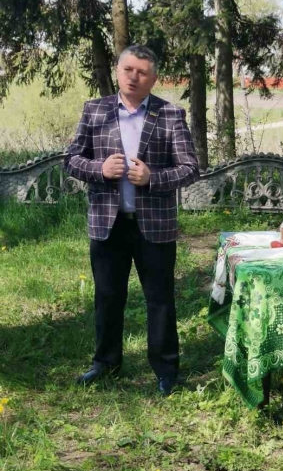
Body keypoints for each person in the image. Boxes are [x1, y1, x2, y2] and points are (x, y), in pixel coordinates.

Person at [64, 45, 200, 395]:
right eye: (128, 69)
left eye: (142, 72)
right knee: (107, 296)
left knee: (160, 299)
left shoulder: (171, 114)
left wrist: (154, 177)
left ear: (153, 78)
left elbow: (190, 168)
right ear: (117, 71)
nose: (133, 77)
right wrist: (99, 169)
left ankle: (166, 369)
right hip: (108, 223)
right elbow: (72, 159)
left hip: (154, 224)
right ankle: (105, 363)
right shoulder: (95, 110)